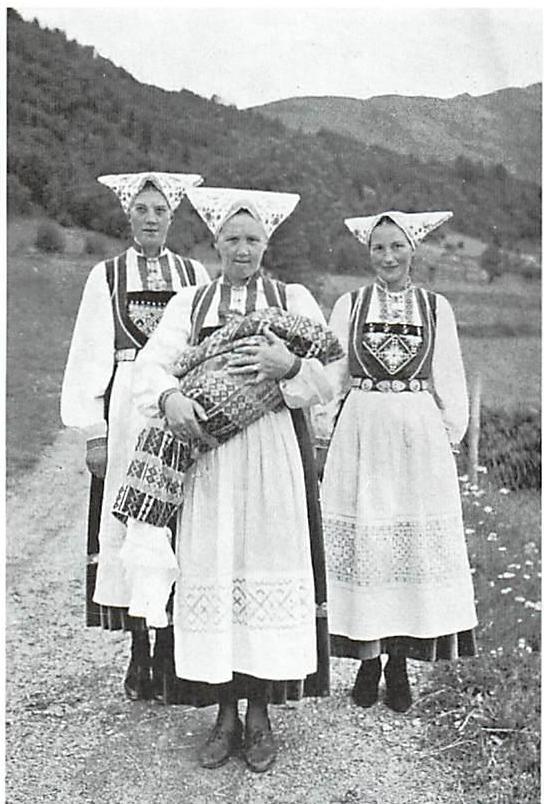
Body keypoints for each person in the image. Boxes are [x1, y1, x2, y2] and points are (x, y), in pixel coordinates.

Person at [131, 187, 333, 772]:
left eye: (253, 239)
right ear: (215, 242)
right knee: (215, 567)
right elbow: (152, 364)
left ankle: (262, 716)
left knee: (262, 564)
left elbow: (329, 374)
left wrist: (289, 366)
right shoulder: (191, 303)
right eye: (232, 239)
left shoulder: (290, 299)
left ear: (267, 243)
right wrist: (169, 397)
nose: (242, 250)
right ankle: (223, 714)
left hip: (271, 450)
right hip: (209, 459)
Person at [318, 210, 477, 713]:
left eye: (396, 247)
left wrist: (449, 434)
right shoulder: (350, 304)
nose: (387, 257)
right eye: (378, 248)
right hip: (363, 428)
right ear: (369, 253)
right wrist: (324, 431)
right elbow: (332, 372)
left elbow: (449, 373)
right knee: (369, 539)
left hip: (416, 434)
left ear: (413, 250)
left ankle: (400, 662)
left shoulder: (435, 308)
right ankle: (369, 659)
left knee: (405, 546)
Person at [60, 171, 210, 702]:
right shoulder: (106, 276)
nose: (151, 219)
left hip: (175, 402)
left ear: (173, 217)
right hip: (126, 406)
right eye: (142, 210)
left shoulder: (193, 274)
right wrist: (95, 432)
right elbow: (89, 353)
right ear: (129, 215)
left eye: (160, 211)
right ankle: (137, 648)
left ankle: (170, 646)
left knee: (177, 517)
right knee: (130, 519)